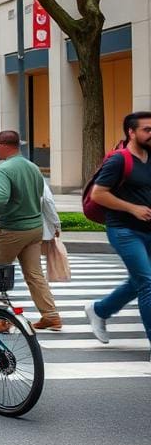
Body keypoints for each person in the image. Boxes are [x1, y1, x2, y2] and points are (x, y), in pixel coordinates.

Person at [84, 112, 151, 352]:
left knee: (140, 281)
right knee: (147, 283)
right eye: (147, 129)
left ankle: (99, 310)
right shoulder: (119, 160)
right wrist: (132, 208)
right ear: (131, 132)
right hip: (124, 229)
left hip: (148, 229)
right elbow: (98, 194)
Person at [0, 130, 61, 331]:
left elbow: (0, 198)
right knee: (34, 274)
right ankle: (51, 315)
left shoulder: (4, 169)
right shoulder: (33, 167)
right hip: (34, 228)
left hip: (12, 228)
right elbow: (41, 196)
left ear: (2, 145)